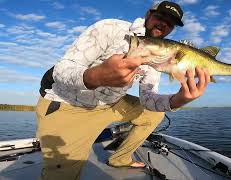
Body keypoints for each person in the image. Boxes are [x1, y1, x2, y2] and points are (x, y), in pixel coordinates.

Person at [36, 1, 210, 180]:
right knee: (63, 175)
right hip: (68, 106)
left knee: (154, 114)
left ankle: (120, 158)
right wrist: (96, 76)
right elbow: (62, 69)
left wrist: (178, 100)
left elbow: (148, 99)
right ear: (149, 14)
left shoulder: (161, 54)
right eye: (160, 17)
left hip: (112, 104)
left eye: (170, 23)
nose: (163, 24)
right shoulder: (110, 28)